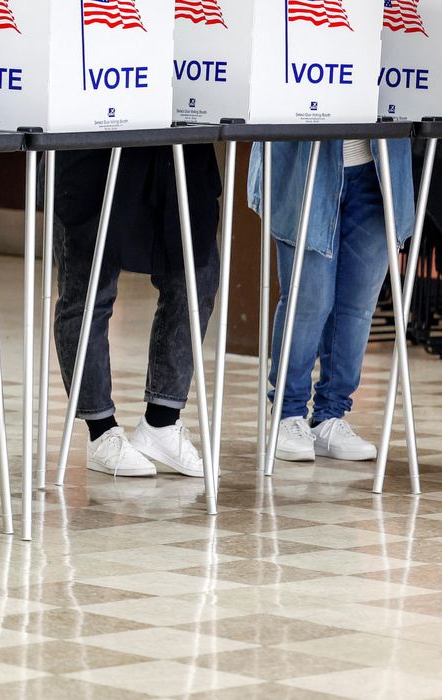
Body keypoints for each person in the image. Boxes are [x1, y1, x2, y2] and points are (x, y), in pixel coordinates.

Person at [53, 146, 222, 478]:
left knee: (196, 279)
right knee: (88, 289)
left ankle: (162, 421)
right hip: (96, 147)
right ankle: (100, 431)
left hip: (179, 149)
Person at [249, 140, 415, 462]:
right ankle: (288, 414)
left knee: (357, 305)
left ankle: (331, 414)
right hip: (306, 165)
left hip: (379, 166)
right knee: (309, 299)